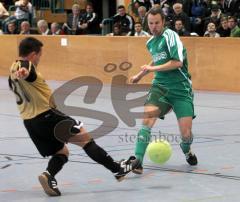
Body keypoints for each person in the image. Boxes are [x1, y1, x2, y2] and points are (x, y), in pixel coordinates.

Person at [8, 37, 139, 196]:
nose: (39, 59)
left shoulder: (12, 70)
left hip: (30, 123)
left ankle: (48, 175)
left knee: (62, 152)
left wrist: (20, 73)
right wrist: (25, 72)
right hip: (48, 116)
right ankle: (118, 170)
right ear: (33, 54)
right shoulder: (25, 66)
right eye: (39, 56)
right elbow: (27, 72)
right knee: (86, 140)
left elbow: (21, 75)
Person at [130, 7, 198, 174]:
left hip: (180, 89)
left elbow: (177, 63)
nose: (154, 27)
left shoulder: (171, 36)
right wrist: (140, 74)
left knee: (186, 133)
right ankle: (137, 160)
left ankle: (186, 149)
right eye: (151, 23)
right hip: (160, 87)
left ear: (163, 22)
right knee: (147, 119)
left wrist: (151, 70)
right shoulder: (150, 42)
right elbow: (155, 59)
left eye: (157, 23)